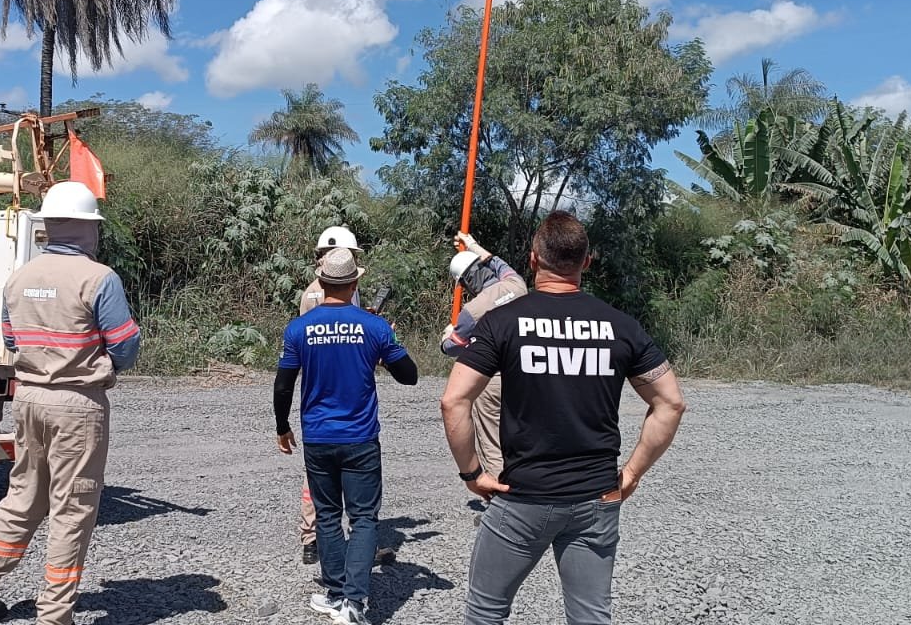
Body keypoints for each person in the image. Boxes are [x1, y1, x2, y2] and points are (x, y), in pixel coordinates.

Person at [439, 211, 686, 625]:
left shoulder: (503, 322)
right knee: (590, 616)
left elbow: (453, 401)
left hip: (524, 497)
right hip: (597, 498)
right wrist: (632, 474)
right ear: (586, 261)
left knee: (486, 612)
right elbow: (671, 403)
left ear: (533, 259)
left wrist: (473, 474)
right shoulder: (621, 326)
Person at [0, 181, 141, 625]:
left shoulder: (20, 278)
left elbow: (11, 339)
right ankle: (55, 614)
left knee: (23, 497)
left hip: (29, 397)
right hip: (77, 402)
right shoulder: (99, 278)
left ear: (51, 226)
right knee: (73, 508)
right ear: (87, 229)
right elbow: (125, 346)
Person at [275, 247, 418, 625]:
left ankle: (337, 594)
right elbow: (410, 376)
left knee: (327, 516)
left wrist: (281, 426)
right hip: (360, 437)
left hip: (318, 437)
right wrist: (386, 346)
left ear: (321, 283)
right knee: (364, 518)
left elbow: (283, 384)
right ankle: (353, 602)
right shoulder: (374, 327)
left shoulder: (298, 328)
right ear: (355, 283)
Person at [295, 225, 365, 564]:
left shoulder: (333, 287)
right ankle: (315, 537)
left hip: (334, 389)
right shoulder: (317, 294)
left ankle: (325, 537)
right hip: (333, 390)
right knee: (325, 473)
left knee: (326, 471)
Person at [440, 231, 527, 480]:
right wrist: (473, 245)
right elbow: (497, 263)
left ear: (467, 281)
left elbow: (454, 347)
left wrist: (446, 337)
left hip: (493, 379)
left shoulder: (472, 311)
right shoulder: (516, 285)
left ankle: (501, 494)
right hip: (527, 373)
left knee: (492, 440)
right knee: (523, 432)